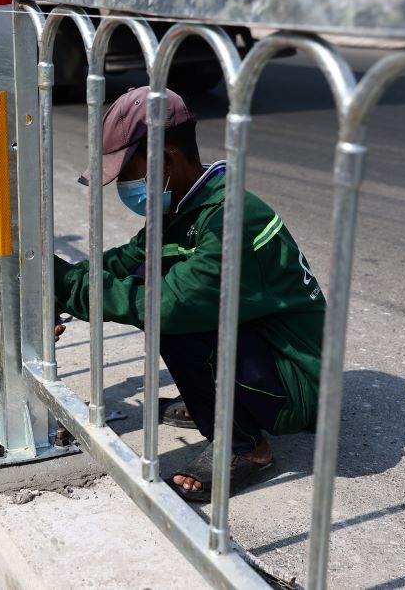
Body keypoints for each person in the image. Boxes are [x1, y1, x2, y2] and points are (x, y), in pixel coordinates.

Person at [53, 87, 324, 503]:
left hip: (297, 384)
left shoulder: (231, 218)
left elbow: (167, 304)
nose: (125, 186)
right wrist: (59, 282)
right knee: (176, 302)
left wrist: (68, 288)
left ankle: (246, 449)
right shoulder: (185, 207)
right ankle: (216, 401)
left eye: (127, 174)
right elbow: (127, 262)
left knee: (175, 322)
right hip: (264, 352)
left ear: (165, 160)